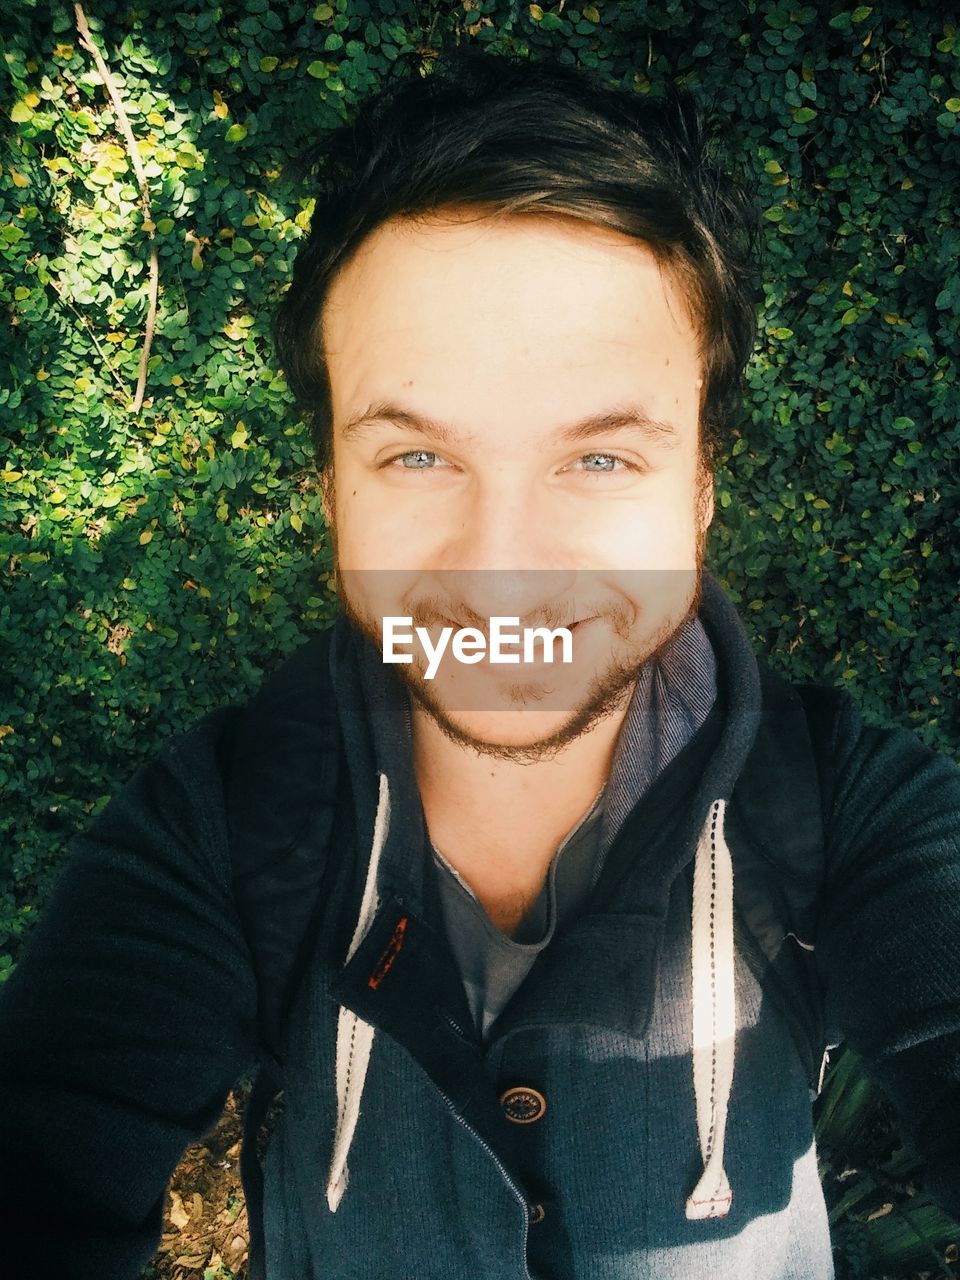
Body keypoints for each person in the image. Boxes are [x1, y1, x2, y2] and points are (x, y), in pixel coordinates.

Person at [1, 48, 959, 1280]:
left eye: (600, 459)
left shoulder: (844, 808)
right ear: (331, 483)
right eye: (416, 458)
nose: (502, 564)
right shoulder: (225, 830)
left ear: (702, 491)